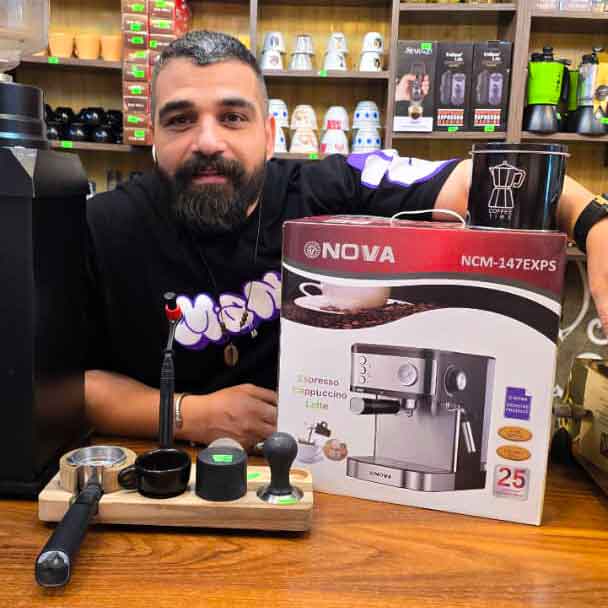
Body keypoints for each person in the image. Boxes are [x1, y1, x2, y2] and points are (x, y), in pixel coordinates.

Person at [86, 30, 608, 452]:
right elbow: (65, 384)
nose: (207, 141)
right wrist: (188, 415)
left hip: (322, 467)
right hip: (158, 466)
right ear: (152, 135)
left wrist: (596, 224)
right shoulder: (102, 225)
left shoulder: (329, 187)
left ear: (269, 134)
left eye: (232, 117)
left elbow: (487, 179)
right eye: (180, 120)